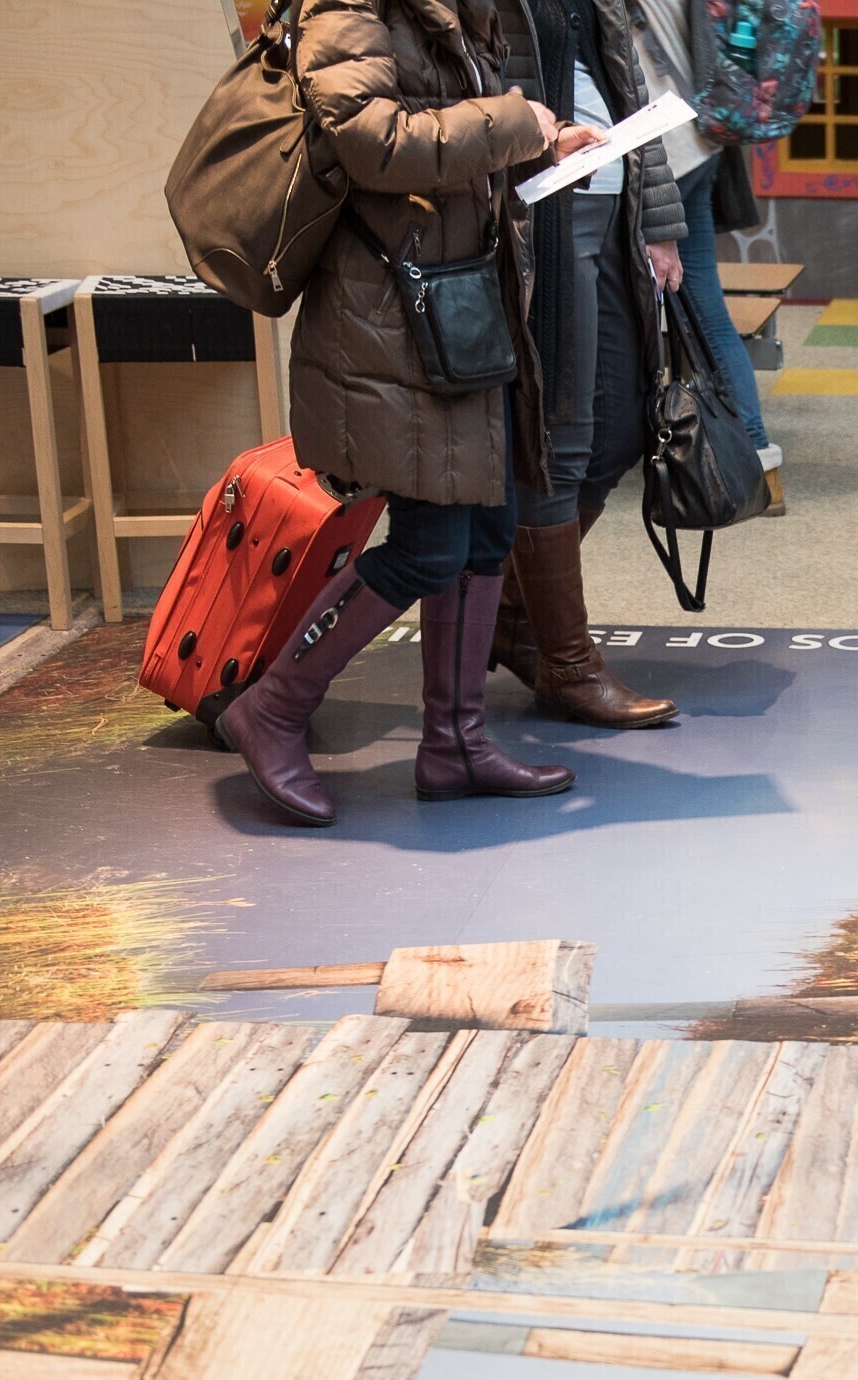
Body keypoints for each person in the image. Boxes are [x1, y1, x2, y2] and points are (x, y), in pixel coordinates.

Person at [220, 0, 592, 828]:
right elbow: (371, 142)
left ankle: (456, 743)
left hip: (456, 307)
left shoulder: (451, 7)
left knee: (487, 530)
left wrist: (538, 145)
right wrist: (512, 122)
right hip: (390, 315)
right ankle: (271, 709)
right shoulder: (349, 7)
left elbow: (447, 134)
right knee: (431, 546)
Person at [485, 0, 685, 729]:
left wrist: (658, 220)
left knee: (622, 429)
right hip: (539, 209)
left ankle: (512, 616)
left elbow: (625, 81)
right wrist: (535, 138)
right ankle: (568, 665)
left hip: (613, 203)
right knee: (558, 439)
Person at [631, 0, 787, 508]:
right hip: (696, 137)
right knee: (706, 311)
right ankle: (757, 463)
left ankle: (693, 455)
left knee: (650, 309)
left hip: (660, 153)